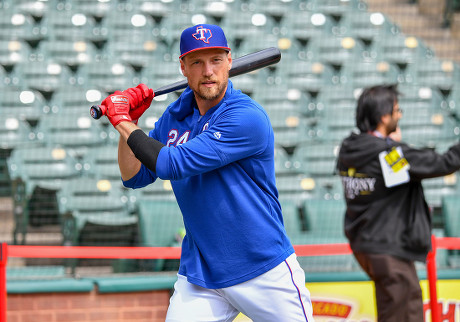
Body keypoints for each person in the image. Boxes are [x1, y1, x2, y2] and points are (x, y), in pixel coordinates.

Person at [100, 24, 314, 321]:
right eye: (197, 62)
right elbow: (134, 176)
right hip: (202, 273)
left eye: (215, 60)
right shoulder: (176, 115)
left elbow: (169, 164)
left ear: (229, 61)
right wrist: (130, 125)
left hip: (262, 267)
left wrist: (123, 120)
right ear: (183, 67)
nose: (208, 71)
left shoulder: (245, 117)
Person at [336, 84, 460, 321]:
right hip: (387, 248)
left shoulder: (350, 148)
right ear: (384, 117)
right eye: (397, 110)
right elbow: (444, 163)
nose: (400, 115)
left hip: (365, 246)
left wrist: (390, 145)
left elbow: (392, 174)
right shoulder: (387, 154)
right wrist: (392, 147)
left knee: (393, 310)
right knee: (405, 313)